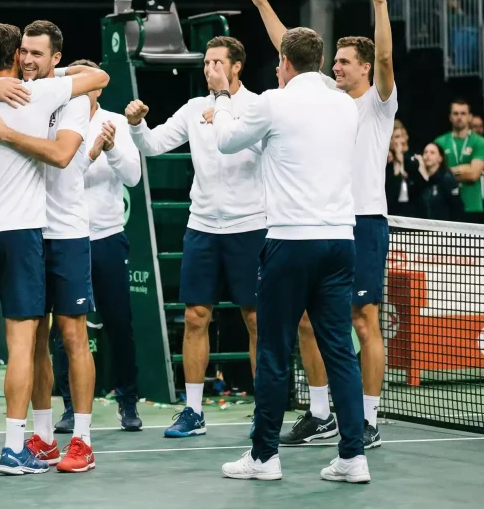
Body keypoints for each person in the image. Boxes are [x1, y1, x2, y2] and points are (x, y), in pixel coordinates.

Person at [0, 23, 109, 475]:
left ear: (54, 57)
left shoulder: (59, 98)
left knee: (69, 336)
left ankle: (82, 440)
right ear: (11, 57)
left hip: (61, 231)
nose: (28, 59)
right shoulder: (13, 95)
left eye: (37, 53)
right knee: (29, 345)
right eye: (23, 52)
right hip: (24, 234)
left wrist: (4, 133)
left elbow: (63, 154)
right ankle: (39, 438)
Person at [245, 0, 396, 451]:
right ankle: (320, 412)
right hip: (328, 223)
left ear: (365, 69)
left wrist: (379, 3)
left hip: (366, 219)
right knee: (310, 322)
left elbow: (388, 60)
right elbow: (291, 50)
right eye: (335, 62)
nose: (336, 68)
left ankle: (369, 418)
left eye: (346, 62)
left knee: (363, 319)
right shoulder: (327, 99)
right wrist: (263, 3)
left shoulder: (377, 102)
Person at [208, 26, 369, 484]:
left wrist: (221, 98)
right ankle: (353, 457)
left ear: (284, 63)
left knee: (275, 352)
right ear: (319, 62)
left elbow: (225, 140)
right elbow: (294, 148)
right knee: (339, 351)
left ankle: (263, 457)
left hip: (290, 243)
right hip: (340, 242)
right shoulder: (344, 104)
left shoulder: (272, 102)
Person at [126, 36, 263, 438]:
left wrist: (223, 110)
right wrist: (136, 125)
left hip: (249, 226)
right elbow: (151, 146)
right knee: (194, 317)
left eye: (218, 62)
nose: (209, 69)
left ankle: (264, 409)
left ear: (236, 66)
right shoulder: (191, 109)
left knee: (255, 320)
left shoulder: (257, 107)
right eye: (206, 62)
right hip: (202, 228)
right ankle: (192, 410)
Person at [53, 59, 143, 435]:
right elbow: (60, 175)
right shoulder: (54, 123)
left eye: (85, 82)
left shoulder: (116, 123)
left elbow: (134, 177)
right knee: (65, 329)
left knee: (118, 323)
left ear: (98, 88)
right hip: (64, 236)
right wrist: (90, 152)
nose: (79, 88)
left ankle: (127, 401)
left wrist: (110, 149)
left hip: (106, 236)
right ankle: (71, 407)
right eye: (72, 82)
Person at [434, 99, 484, 223]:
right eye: (456, 113)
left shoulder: (479, 142)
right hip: (446, 205)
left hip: (472, 205)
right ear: (450, 117)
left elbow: (474, 174)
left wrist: (448, 173)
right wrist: (464, 170)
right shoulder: (440, 142)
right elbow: (435, 174)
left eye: (463, 113)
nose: (459, 117)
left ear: (469, 117)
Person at [411, 142, 465, 221]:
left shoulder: (447, 179)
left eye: (432, 152)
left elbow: (456, 208)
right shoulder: (419, 180)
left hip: (444, 229)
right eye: (425, 152)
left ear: (440, 158)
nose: (428, 155)